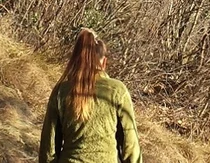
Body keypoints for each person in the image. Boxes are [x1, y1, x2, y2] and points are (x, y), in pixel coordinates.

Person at [39, 28, 142, 163]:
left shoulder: (61, 91)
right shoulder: (117, 90)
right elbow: (130, 143)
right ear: (104, 62)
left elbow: (49, 145)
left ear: (76, 59)